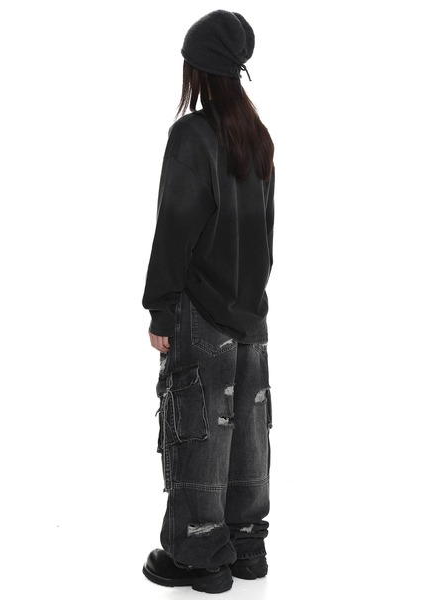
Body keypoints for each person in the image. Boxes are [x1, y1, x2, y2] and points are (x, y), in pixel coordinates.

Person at [141, 10, 275, 594]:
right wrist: (252, 297)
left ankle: (200, 555)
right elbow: (267, 233)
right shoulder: (259, 137)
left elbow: (175, 228)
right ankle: (246, 547)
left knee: (198, 426)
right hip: (250, 312)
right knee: (247, 429)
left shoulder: (191, 136)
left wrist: (161, 307)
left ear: (200, 69)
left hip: (201, 311)